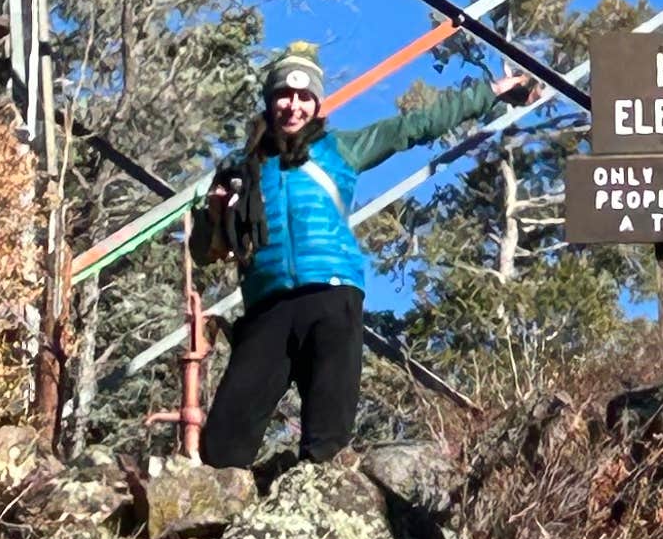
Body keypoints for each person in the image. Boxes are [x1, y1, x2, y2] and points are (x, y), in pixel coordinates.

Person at [192, 39, 517, 468]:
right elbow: (202, 251)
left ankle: (313, 517)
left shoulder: (340, 149)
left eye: (304, 97)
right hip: (266, 306)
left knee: (325, 442)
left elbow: (416, 126)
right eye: (283, 96)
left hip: (332, 298)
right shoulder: (239, 167)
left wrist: (488, 92)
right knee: (223, 445)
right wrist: (214, 213)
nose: (293, 106)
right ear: (270, 102)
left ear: (317, 103)